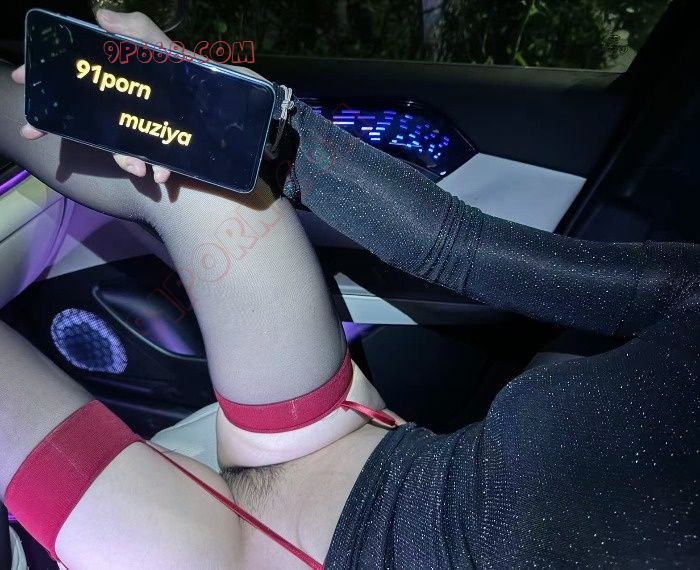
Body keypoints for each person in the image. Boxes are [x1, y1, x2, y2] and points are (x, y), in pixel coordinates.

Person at [0, 10, 697, 569]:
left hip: (215, 558)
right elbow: (456, 245)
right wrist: (241, 115)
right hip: (340, 437)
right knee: (196, 165)